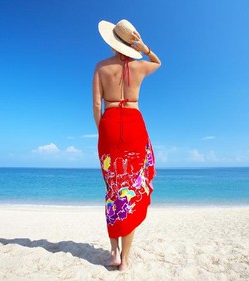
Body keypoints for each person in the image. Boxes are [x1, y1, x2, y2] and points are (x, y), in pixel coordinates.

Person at [93, 19, 161, 271]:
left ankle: (113, 253)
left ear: (112, 44)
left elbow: (96, 106)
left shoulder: (101, 67)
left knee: (113, 189)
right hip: (134, 125)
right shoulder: (140, 66)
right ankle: (126, 259)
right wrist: (144, 47)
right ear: (130, 44)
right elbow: (158, 62)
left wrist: (103, 133)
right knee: (130, 190)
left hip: (110, 125)